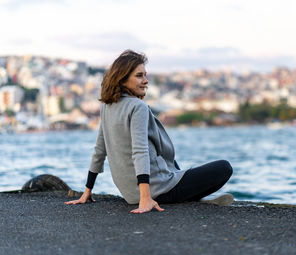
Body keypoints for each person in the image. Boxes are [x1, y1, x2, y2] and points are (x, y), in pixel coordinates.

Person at [65, 50, 233, 213]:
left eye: (145, 75)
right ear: (122, 79)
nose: (145, 81)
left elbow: (99, 151)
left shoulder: (107, 107)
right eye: (139, 76)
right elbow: (140, 151)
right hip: (155, 191)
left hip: (130, 195)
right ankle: (185, 199)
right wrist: (145, 198)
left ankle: (186, 197)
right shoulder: (138, 107)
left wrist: (87, 191)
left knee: (171, 164)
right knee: (224, 168)